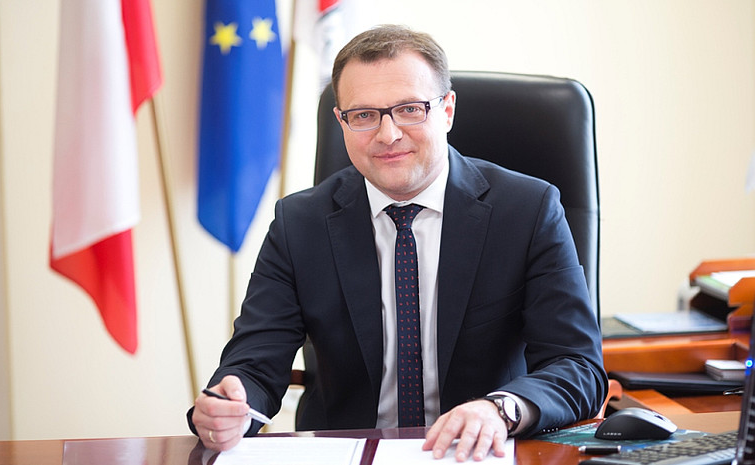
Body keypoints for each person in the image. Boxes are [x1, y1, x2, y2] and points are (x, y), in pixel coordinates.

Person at [188, 24, 607, 462]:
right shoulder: (299, 224)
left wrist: (500, 409)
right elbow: (253, 365)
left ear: (447, 110)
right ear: (341, 122)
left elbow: (578, 366)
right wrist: (228, 406)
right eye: (364, 115)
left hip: (479, 454)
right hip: (347, 455)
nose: (387, 134)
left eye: (409, 109)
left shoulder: (528, 210)